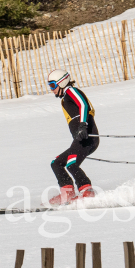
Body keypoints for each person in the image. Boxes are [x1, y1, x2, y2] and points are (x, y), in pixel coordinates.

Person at [46, 69, 99, 205]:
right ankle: (67, 193)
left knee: (72, 163)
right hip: (80, 140)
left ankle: (87, 191)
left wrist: (83, 125)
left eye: (52, 85)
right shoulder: (66, 97)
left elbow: (83, 104)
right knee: (57, 163)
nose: (51, 90)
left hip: (87, 138)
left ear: (61, 82)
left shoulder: (71, 91)